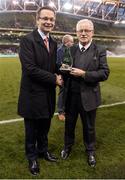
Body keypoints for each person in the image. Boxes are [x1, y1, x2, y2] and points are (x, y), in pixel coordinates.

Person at [18, 6, 63, 175]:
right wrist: (54, 79)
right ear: (37, 20)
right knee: (31, 130)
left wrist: (62, 71)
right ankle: (32, 157)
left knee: (45, 126)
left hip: (47, 93)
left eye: (51, 19)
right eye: (45, 18)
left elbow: (52, 66)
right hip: (32, 94)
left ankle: (43, 151)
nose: (48, 22)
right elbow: (30, 68)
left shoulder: (53, 42)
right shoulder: (27, 40)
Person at [61, 19, 110, 167]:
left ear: (92, 33)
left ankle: (90, 151)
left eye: (86, 30)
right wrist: (62, 70)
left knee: (89, 127)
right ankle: (67, 147)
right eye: (80, 31)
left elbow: (104, 73)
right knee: (69, 125)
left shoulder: (99, 49)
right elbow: (64, 69)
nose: (83, 33)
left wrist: (84, 74)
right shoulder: (70, 49)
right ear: (76, 33)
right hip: (71, 97)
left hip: (89, 96)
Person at [56, 35, 74, 121]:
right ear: (67, 42)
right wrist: (72, 69)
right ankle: (60, 112)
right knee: (63, 94)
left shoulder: (69, 50)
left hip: (70, 76)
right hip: (63, 76)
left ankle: (66, 109)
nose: (73, 43)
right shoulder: (60, 50)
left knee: (69, 93)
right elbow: (59, 65)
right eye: (72, 41)